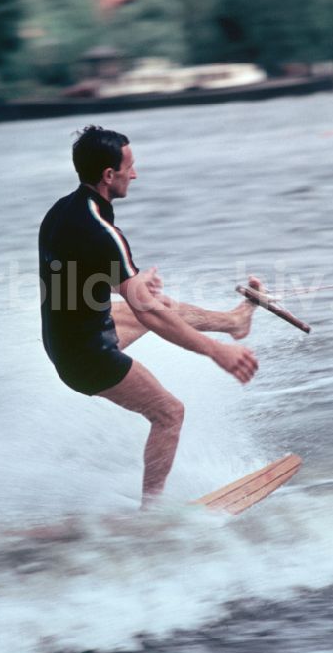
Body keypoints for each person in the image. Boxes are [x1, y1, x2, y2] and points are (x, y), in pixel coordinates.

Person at [39, 126, 261, 508]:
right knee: (170, 412)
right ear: (109, 175)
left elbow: (77, 273)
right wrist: (216, 352)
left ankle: (235, 321)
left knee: (158, 304)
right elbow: (151, 316)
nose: (135, 174)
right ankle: (151, 515)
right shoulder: (103, 231)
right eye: (131, 166)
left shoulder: (62, 212)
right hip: (88, 356)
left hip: (65, 340)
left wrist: (132, 284)